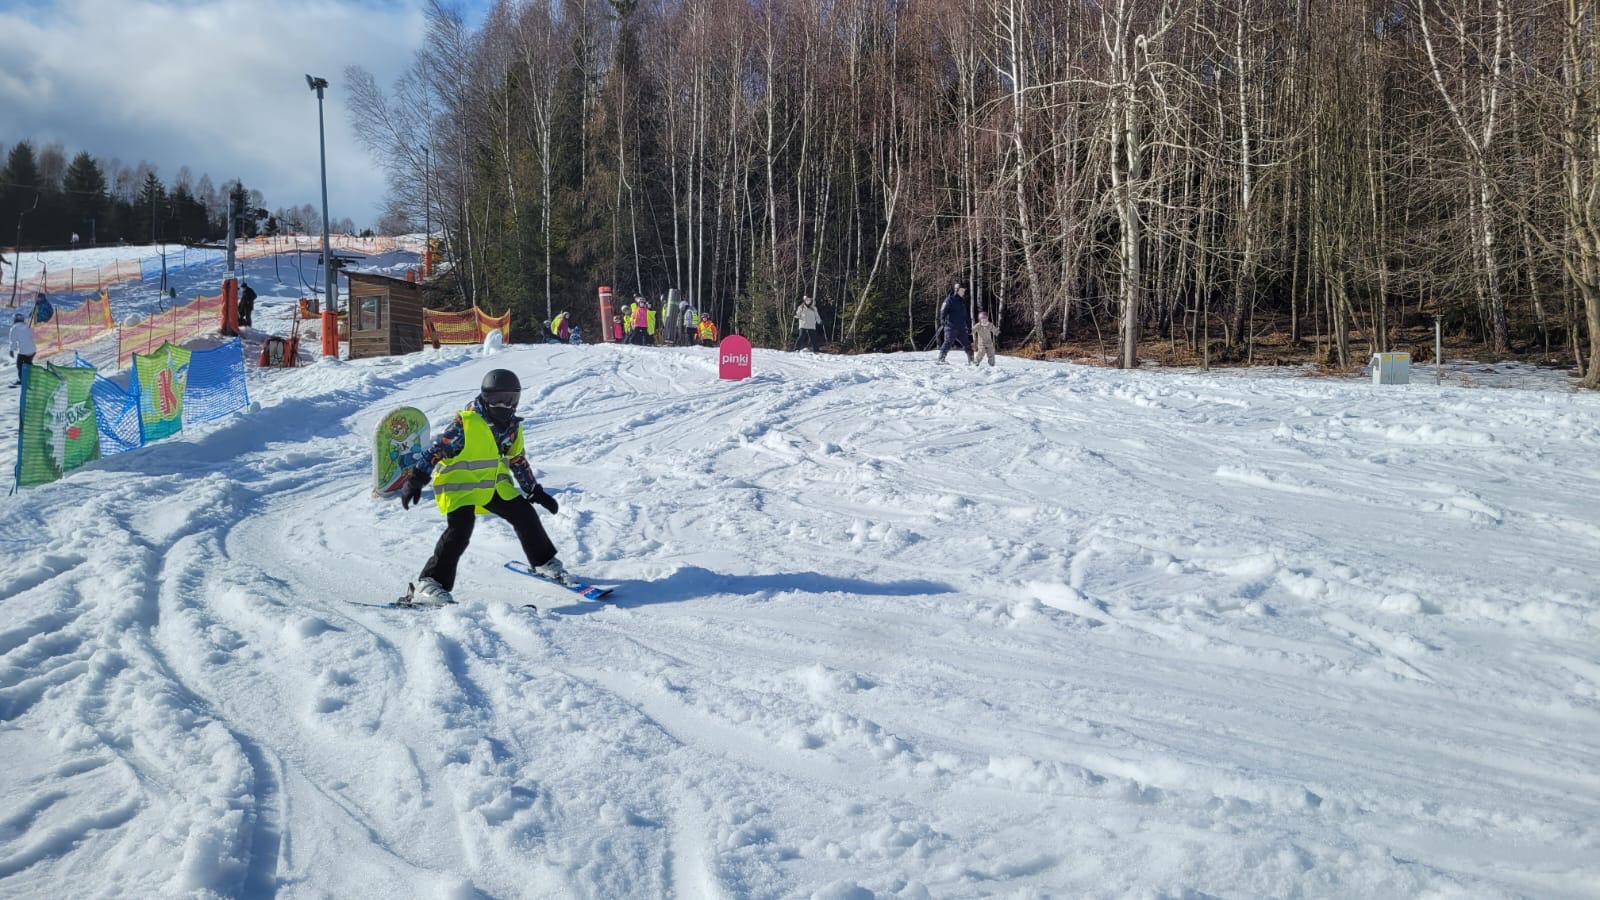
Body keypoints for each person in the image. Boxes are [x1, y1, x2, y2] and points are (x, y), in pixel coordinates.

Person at [397, 368, 570, 604]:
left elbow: (517, 460)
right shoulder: (466, 423)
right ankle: (429, 584)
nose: (504, 405)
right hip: (459, 486)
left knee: (525, 514)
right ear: (485, 397)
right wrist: (417, 479)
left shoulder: (512, 427)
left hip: (490, 485)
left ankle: (543, 562)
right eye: (496, 398)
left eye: (510, 399)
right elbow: (436, 450)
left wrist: (534, 491)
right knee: (460, 531)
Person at [937, 283, 973, 366]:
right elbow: (943, 310)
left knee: (967, 343)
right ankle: (941, 359)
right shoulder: (949, 300)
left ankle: (971, 360)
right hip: (951, 326)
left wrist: (969, 325)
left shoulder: (962, 301)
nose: (963, 292)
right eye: (962, 290)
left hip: (961, 327)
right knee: (948, 342)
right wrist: (942, 319)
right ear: (957, 290)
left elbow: (965, 315)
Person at [9, 313, 36, 387]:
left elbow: (13, 341)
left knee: (20, 365)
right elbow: (32, 336)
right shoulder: (27, 327)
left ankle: (22, 380)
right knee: (28, 363)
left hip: (23, 351)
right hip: (32, 349)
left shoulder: (14, 328)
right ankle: (33, 376)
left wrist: (11, 350)